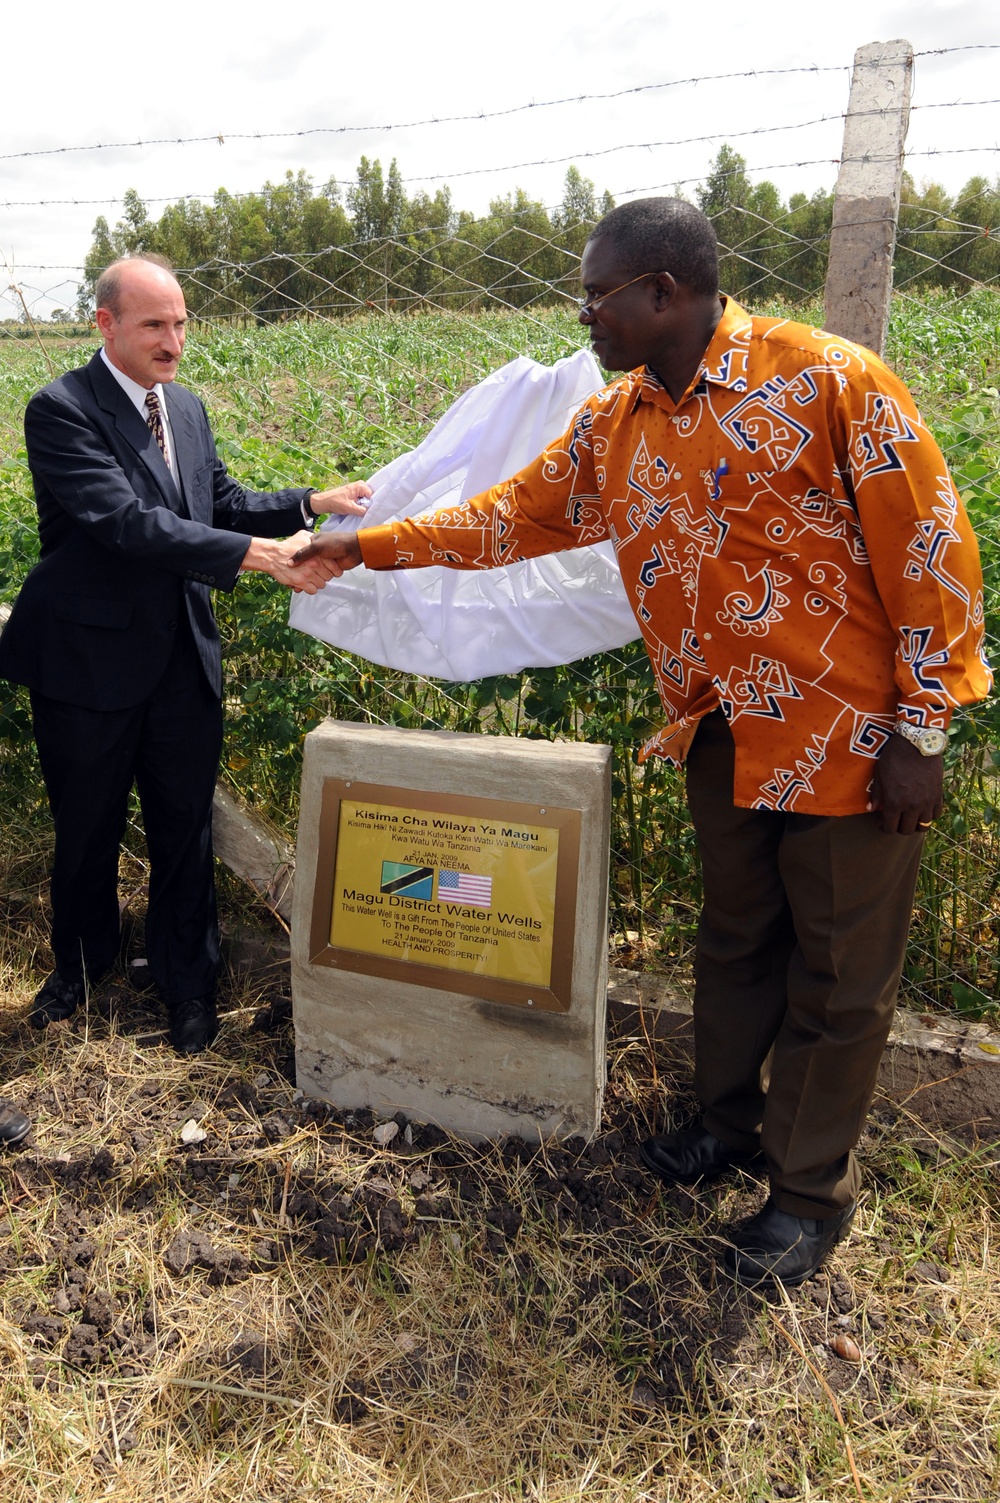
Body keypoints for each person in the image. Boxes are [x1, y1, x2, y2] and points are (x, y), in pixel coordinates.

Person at [290, 198, 991, 1287]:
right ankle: (726, 1125)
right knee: (736, 940)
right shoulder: (618, 422)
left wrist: (923, 733)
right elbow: (508, 517)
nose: (585, 317)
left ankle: (807, 1197)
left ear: (663, 291)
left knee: (839, 972)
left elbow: (931, 551)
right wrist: (362, 548)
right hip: (722, 731)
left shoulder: (828, 380)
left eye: (597, 296)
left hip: (848, 739)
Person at [0, 254, 370, 1056]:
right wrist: (262, 557)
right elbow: (126, 522)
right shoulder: (61, 409)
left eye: (180, 323)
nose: (173, 341)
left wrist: (310, 502)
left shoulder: (187, 408)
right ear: (106, 324)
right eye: (154, 325)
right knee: (87, 828)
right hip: (86, 662)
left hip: (179, 656)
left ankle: (187, 984)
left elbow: (216, 502)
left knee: (184, 828)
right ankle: (81, 969)